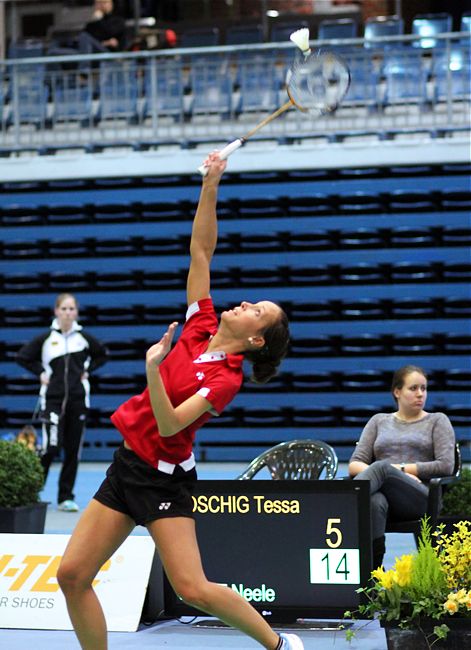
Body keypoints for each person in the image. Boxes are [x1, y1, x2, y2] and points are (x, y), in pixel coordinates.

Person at [55, 153, 300, 650]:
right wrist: (211, 184)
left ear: (257, 340)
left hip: (162, 478)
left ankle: (278, 646)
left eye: (258, 311)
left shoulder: (227, 379)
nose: (247, 304)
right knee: (72, 575)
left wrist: (152, 368)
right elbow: (201, 250)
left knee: (192, 589)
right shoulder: (200, 322)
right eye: (254, 301)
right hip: (128, 466)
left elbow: (169, 426)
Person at [348, 364, 456, 569]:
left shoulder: (437, 421)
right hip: (384, 495)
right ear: (397, 391)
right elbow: (355, 464)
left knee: (382, 467)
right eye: (413, 388)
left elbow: (446, 465)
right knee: (375, 501)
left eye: (424, 388)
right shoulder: (378, 421)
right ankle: (373, 579)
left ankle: (343, 505)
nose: (420, 394)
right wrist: (388, 473)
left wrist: (400, 471)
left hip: (421, 497)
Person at [17, 293, 108, 512]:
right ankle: (33, 492)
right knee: (51, 447)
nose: (67, 313)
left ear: (76, 312)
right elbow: (22, 357)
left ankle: (65, 497)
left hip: (78, 401)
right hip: (52, 402)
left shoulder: (83, 338)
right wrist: (40, 372)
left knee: (72, 450)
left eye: (71, 309)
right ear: (56, 311)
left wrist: (88, 370)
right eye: (64, 309)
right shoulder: (46, 338)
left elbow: (102, 355)